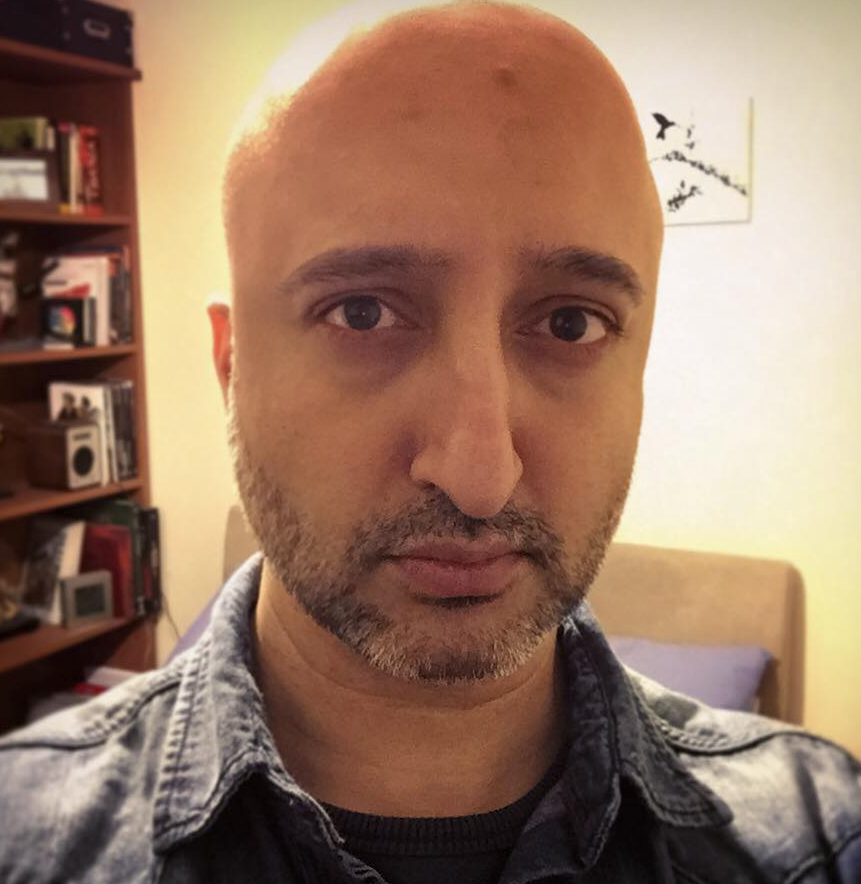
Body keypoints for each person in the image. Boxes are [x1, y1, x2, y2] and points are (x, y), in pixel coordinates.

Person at [1, 3, 859, 882]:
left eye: (570, 322)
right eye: (362, 312)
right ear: (231, 366)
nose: (480, 473)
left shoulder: (822, 838)